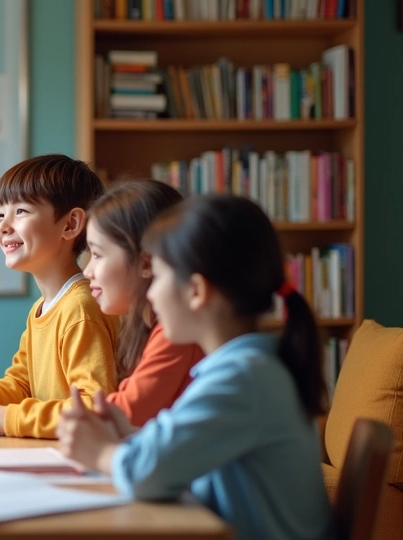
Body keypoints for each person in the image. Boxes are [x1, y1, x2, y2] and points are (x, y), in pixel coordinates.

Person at [57, 194, 333, 540]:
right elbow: (180, 450)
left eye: (158, 277)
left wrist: (101, 453)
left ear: (197, 291)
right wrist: (125, 433)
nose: (151, 294)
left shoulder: (241, 379)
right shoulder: (244, 369)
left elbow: (147, 474)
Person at [0, 154, 119, 439]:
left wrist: (3, 418)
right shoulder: (42, 308)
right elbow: (22, 385)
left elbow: (94, 408)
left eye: (21, 211)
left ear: (70, 224)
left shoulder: (80, 308)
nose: (3, 227)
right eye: (1, 215)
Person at [82, 180, 203, 426]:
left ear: (146, 263)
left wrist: (12, 417)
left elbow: (122, 414)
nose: (87, 271)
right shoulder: (146, 329)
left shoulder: (175, 335)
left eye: (97, 255)